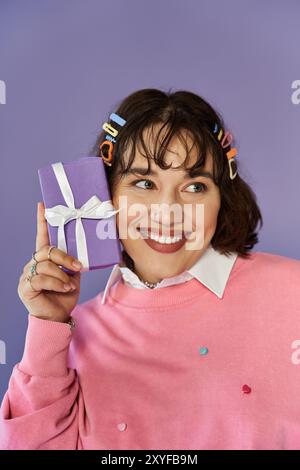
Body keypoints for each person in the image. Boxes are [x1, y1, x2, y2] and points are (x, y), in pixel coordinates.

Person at [1, 88, 300, 450]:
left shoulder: (292, 292)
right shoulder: (74, 333)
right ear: (104, 195)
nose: (168, 211)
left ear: (221, 199)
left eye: (194, 186)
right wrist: (46, 328)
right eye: (144, 183)